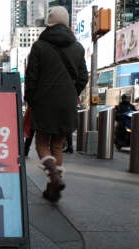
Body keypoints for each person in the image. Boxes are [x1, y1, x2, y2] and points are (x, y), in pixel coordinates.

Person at [24, 6, 88, 203]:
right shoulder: (77, 47)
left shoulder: (39, 46)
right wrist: (71, 94)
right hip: (67, 103)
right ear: (67, 22)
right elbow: (83, 77)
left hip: (44, 101)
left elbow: (31, 77)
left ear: (49, 23)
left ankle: (54, 175)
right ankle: (52, 187)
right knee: (58, 145)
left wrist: (30, 99)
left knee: (42, 143)